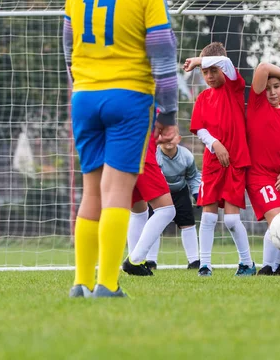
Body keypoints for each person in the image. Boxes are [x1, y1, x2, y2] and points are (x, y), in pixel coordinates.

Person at [64, 0, 178, 297]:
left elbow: (68, 47)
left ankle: (82, 283)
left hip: (85, 96)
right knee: (116, 191)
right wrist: (168, 113)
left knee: (91, 191)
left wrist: (84, 84)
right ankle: (108, 284)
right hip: (129, 97)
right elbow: (163, 54)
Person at [184, 42, 255, 277]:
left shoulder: (234, 87)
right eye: (205, 72)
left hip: (235, 161)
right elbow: (200, 128)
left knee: (232, 221)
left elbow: (225, 62)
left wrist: (197, 60)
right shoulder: (203, 98)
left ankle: (247, 263)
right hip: (213, 162)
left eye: (213, 70)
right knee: (209, 216)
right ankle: (205, 265)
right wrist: (215, 144)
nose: (209, 75)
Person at [245, 62, 280, 276]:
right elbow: (263, 68)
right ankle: (267, 267)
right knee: (279, 223)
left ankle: (273, 267)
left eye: (276, 86)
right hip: (259, 177)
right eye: (267, 88)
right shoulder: (257, 105)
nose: (272, 92)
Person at [123, 126, 176, 276]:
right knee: (167, 210)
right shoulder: (151, 104)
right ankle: (135, 259)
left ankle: (137, 264)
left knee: (139, 211)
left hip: (124, 156)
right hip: (142, 156)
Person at [150, 130, 202, 270]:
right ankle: (150, 261)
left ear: (178, 139)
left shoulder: (186, 156)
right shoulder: (153, 155)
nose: (168, 139)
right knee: (153, 225)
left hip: (179, 191)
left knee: (188, 223)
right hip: (157, 192)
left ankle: (194, 261)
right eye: (164, 135)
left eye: (171, 136)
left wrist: (197, 194)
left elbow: (193, 176)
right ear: (158, 138)